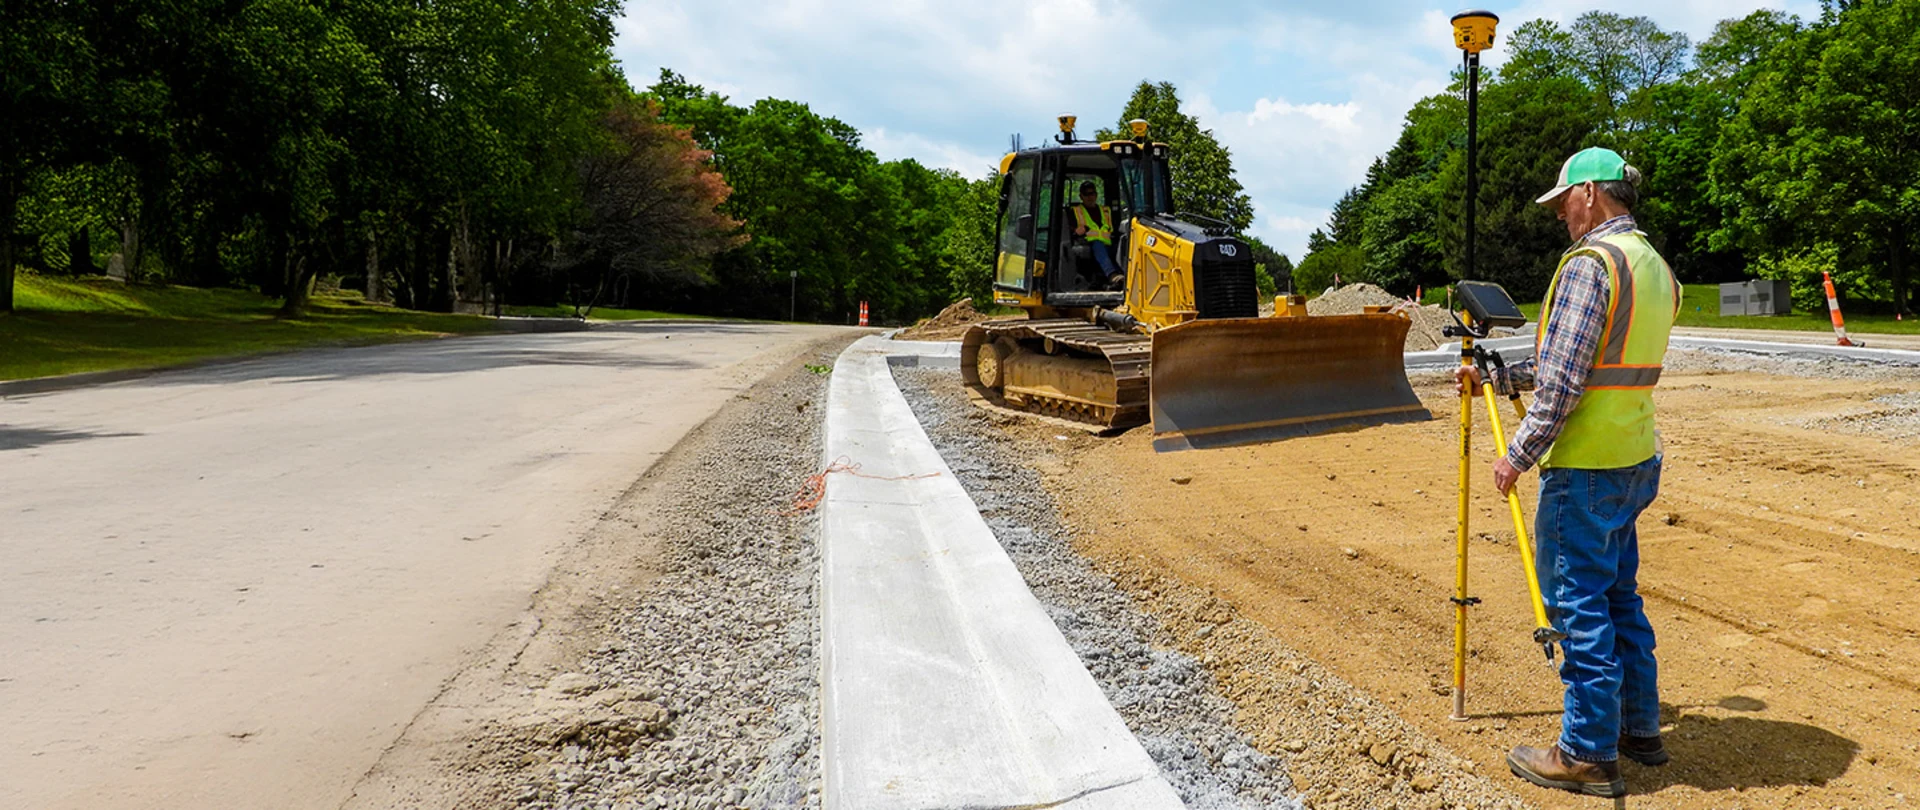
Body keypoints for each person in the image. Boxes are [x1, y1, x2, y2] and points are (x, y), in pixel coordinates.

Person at [1455, 146, 1681, 799]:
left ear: (1589, 192)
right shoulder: (1653, 265)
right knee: (1617, 598)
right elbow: (1595, 363)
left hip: (1583, 464)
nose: (1560, 216)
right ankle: (1639, 730)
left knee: (1577, 603)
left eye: (1562, 203)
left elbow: (1563, 386)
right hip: (1634, 456)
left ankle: (1584, 751)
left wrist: (1515, 455)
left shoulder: (1592, 263)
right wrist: (1498, 378)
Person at [1070, 181, 1123, 289]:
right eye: (1086, 194)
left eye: (1092, 193)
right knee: (1098, 245)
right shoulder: (1076, 211)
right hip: (1087, 244)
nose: (1090, 197)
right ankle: (1112, 274)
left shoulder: (1105, 211)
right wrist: (1075, 231)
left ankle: (1124, 275)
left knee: (1122, 245)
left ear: (1096, 195)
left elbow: (1113, 229)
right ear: (1081, 196)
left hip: (1108, 244)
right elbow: (1068, 229)